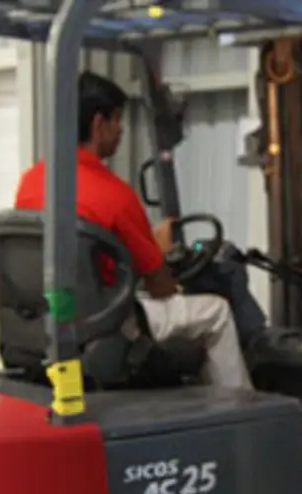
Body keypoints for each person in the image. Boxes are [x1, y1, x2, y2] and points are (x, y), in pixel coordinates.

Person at [15, 71, 252, 390]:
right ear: (99, 123)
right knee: (216, 311)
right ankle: (242, 408)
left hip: (55, 314)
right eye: (117, 120)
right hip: (108, 325)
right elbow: (161, 287)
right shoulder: (115, 195)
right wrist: (161, 252)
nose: (121, 130)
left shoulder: (31, 182)